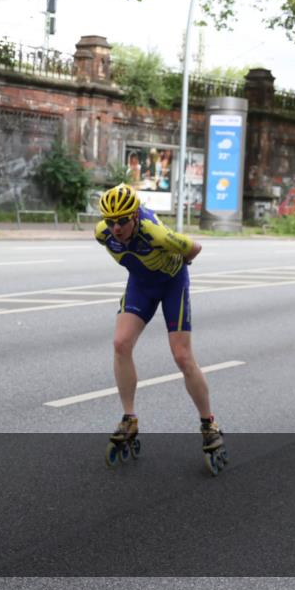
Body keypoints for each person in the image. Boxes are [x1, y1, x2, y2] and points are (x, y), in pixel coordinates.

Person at [93, 183, 225, 465]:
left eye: (123, 221)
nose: (116, 228)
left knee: (182, 356)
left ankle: (208, 424)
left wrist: (176, 263)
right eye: (111, 221)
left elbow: (195, 248)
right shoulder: (102, 233)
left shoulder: (155, 232)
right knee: (120, 343)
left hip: (171, 284)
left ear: (135, 217)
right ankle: (129, 418)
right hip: (141, 285)